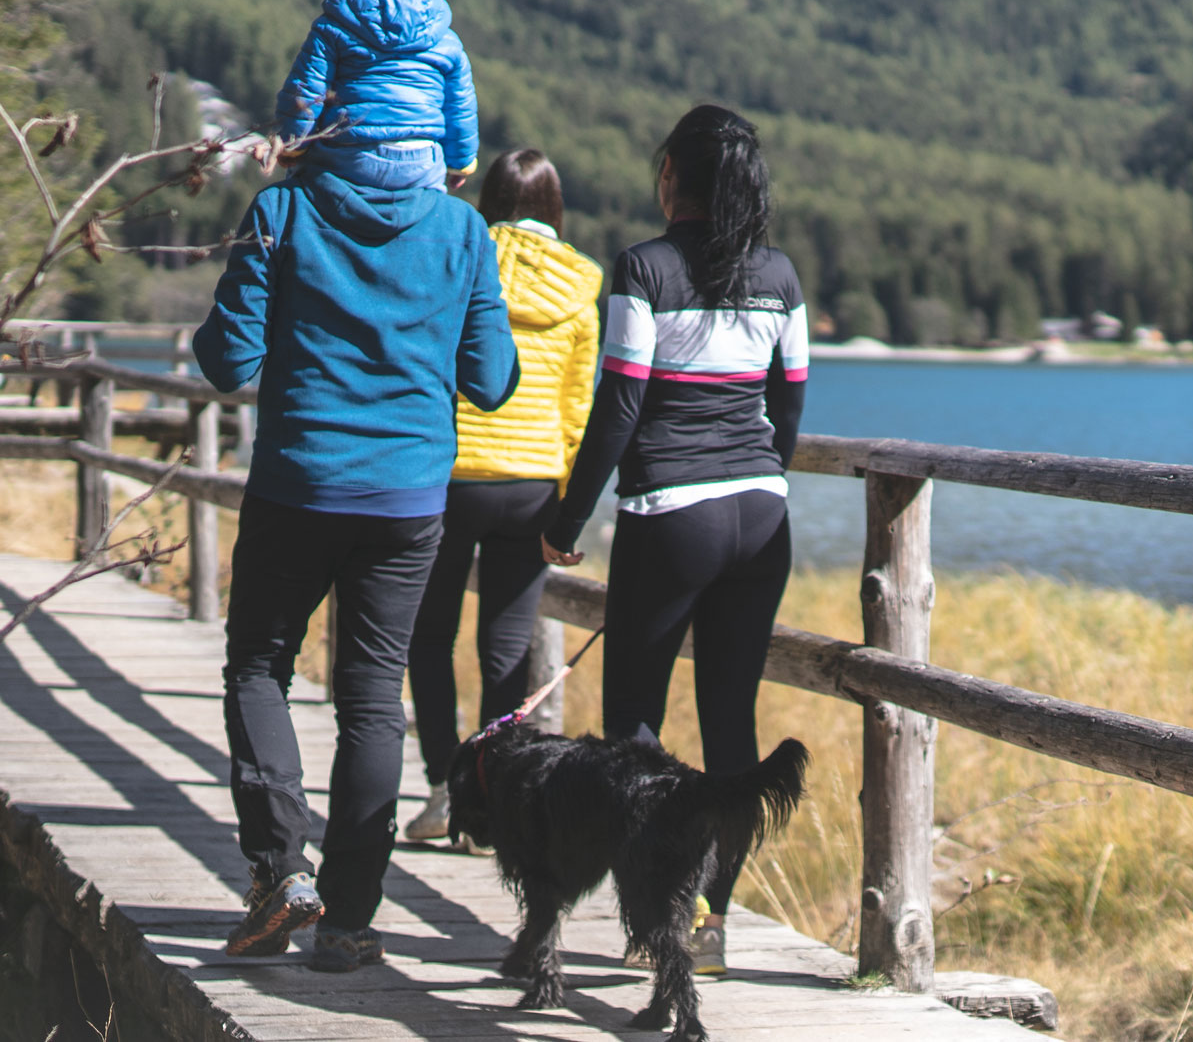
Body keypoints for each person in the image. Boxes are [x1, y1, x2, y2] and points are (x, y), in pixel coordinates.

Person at [194, 135, 518, 971]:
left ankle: (279, 870)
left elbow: (227, 360)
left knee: (259, 667)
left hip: (298, 484)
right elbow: (490, 379)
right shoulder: (462, 228)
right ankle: (347, 922)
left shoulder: (283, 209)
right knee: (373, 698)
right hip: (407, 497)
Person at [540, 105, 808, 975]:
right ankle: (711, 918)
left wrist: (567, 519)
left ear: (672, 179)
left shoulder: (643, 268)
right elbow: (789, 402)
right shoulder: (781, 277)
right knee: (732, 723)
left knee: (636, 731)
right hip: (762, 518)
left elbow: (619, 404)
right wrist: (765, 474)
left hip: (672, 517)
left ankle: (657, 909)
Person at [403, 150, 602, 842]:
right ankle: (489, 805)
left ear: (489, 197)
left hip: (448, 476)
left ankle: (439, 791)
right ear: (555, 207)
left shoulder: (455, 254)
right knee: (505, 653)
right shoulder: (579, 286)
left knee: (428, 639)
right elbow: (580, 410)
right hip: (530, 486)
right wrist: (571, 509)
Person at [271, 0, 477, 192]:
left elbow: (305, 92)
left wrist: (291, 146)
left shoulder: (332, 28)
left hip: (350, 158)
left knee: (300, 183)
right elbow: (460, 106)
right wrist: (459, 163)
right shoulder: (445, 39)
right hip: (421, 163)